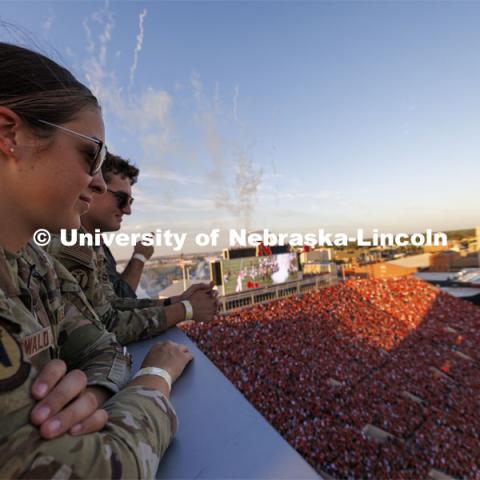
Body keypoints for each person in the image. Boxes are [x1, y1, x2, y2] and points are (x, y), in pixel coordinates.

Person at [0, 42, 191, 478]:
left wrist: (93, 390)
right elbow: (101, 470)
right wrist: (154, 379)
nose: (98, 183)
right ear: (11, 135)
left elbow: (105, 345)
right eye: (92, 156)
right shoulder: (49, 251)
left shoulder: (29, 261)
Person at [46, 152, 218, 345]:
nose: (127, 210)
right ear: (94, 187)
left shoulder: (90, 242)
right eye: (121, 199)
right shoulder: (68, 240)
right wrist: (186, 309)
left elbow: (113, 303)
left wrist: (177, 300)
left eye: (130, 201)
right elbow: (107, 325)